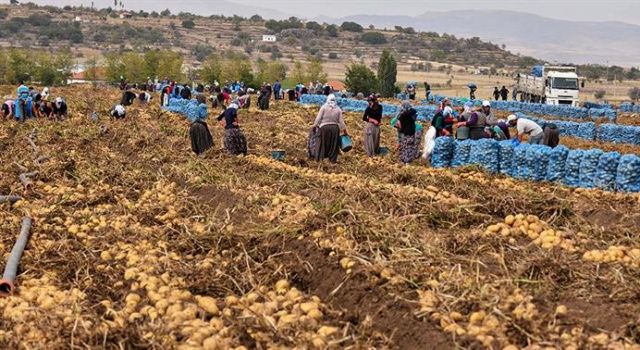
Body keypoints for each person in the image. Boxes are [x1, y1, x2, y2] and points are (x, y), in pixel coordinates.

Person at [311, 94, 347, 163]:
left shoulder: (324, 107)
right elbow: (341, 122)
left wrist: (314, 126)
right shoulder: (338, 109)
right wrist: (345, 131)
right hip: (335, 129)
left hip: (324, 128)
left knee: (322, 144)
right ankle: (333, 161)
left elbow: (318, 118)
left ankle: (320, 159)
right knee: (333, 145)